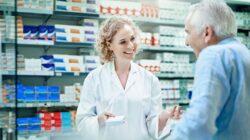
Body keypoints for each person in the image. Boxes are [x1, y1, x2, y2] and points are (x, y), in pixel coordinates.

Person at [76, 16, 180, 140]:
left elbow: (153, 128)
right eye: (123, 42)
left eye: (132, 39)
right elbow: (82, 123)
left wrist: (164, 117)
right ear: (109, 45)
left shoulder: (150, 80)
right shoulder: (94, 78)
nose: (131, 45)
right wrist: (98, 120)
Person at [165, 0, 250, 140]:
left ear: (207, 33)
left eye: (188, 32)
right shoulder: (244, 54)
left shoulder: (214, 55)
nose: (186, 41)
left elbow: (198, 124)